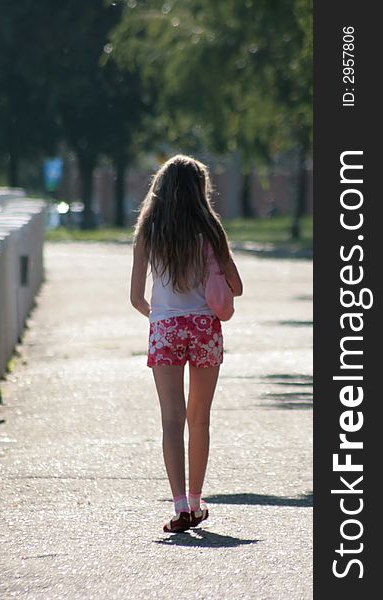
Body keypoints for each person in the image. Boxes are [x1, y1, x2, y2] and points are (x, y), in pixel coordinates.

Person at [130, 155, 243, 533]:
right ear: (200, 190)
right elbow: (237, 287)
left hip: (165, 330)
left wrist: (161, 317)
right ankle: (197, 500)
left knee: (171, 420)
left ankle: (179, 506)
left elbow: (135, 297)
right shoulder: (211, 231)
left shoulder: (148, 230)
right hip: (205, 328)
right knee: (199, 418)